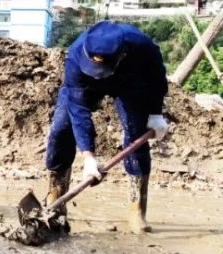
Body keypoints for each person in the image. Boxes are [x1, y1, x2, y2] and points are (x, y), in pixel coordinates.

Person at [44, 20, 169, 233]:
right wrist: (89, 157)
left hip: (129, 81)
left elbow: (156, 77)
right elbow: (79, 110)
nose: (97, 70)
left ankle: (136, 208)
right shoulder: (76, 57)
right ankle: (56, 196)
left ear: (121, 55)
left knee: (135, 132)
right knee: (61, 129)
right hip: (85, 85)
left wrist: (155, 112)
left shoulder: (141, 45)